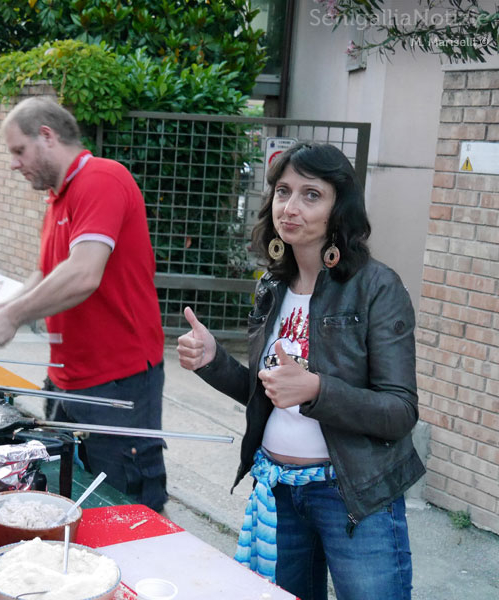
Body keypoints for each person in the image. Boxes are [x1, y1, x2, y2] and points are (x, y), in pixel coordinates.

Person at [177, 143, 424, 600]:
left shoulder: (376, 287)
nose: (290, 208)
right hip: (278, 493)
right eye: (283, 192)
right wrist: (213, 360)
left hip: (352, 496)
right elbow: (268, 393)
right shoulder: (273, 285)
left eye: (312, 195)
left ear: (339, 208)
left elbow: (399, 410)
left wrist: (315, 389)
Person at [0, 97, 167, 511]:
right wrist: (3, 307)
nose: (13, 163)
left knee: (125, 505)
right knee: (70, 495)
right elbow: (48, 273)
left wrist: (13, 315)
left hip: (118, 379)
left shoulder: (101, 179)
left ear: (47, 136)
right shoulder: (59, 198)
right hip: (67, 377)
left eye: (18, 150)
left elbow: (82, 273)